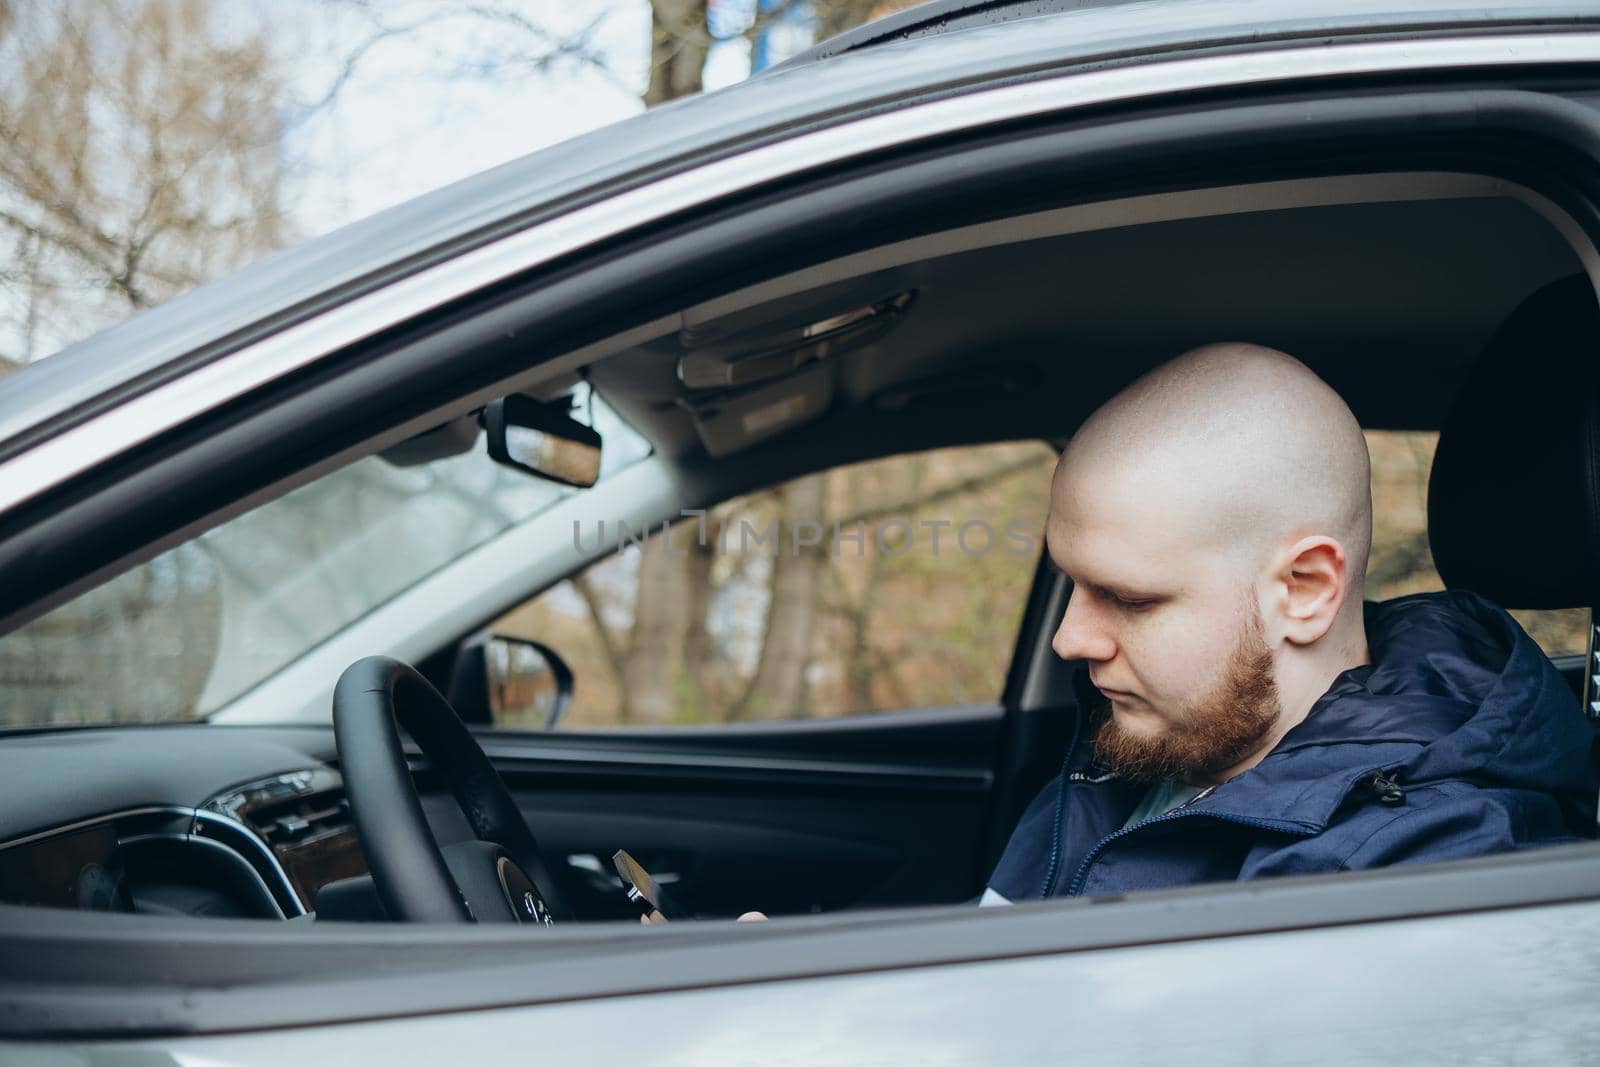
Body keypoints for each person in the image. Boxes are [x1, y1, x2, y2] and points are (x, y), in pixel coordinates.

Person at [980, 341, 1597, 904]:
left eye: (1130, 599)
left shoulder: (1418, 875)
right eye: (1074, 583)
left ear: (1305, 590)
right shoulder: (1118, 758)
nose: (1069, 639)